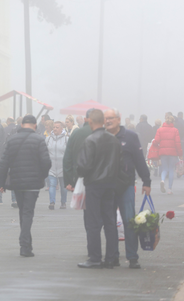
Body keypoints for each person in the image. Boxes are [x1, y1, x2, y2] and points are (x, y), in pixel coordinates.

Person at [0, 115, 51, 257]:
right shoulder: (39, 140)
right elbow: (46, 162)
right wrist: (42, 176)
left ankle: (26, 242)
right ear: (34, 125)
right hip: (33, 183)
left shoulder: (11, 140)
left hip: (17, 182)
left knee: (23, 211)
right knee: (28, 212)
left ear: (22, 125)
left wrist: (0, 183)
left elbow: (3, 163)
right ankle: (25, 244)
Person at [104, 109, 151, 269]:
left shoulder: (130, 136)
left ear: (118, 119)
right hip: (107, 187)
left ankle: (132, 257)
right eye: (106, 118)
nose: (108, 121)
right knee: (109, 223)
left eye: (111, 118)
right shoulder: (102, 136)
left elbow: (139, 160)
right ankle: (112, 256)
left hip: (126, 186)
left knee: (129, 221)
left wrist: (147, 181)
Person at [75, 109, 120, 269]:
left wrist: (81, 174)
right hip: (110, 184)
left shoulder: (90, 140)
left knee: (93, 221)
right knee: (110, 220)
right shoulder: (113, 139)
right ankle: (112, 257)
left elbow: (84, 165)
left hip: (94, 184)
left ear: (90, 122)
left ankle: (94, 257)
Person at [150, 114, 183, 194]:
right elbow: (177, 143)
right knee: (171, 169)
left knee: (164, 169)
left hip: (163, 152)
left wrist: (153, 143)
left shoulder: (160, 130)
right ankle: (169, 189)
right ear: (173, 122)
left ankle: (162, 180)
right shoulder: (175, 130)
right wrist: (180, 154)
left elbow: (156, 141)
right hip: (173, 153)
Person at [63, 109, 94, 191]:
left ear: (85, 119)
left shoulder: (76, 134)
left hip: (79, 178)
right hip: (101, 181)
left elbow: (67, 159)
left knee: (81, 203)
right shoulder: (106, 135)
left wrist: (68, 182)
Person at [46, 121, 69, 210]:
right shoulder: (48, 139)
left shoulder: (67, 139)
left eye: (57, 127)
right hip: (51, 167)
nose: (55, 129)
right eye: (54, 127)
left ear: (62, 129)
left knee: (63, 186)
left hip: (63, 167)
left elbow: (69, 153)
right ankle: (52, 202)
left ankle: (63, 202)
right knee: (52, 184)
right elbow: (45, 152)